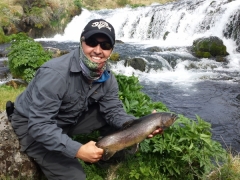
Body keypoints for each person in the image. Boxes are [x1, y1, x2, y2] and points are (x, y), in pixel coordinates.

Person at [10, 19, 163, 179]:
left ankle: (105, 157)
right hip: (31, 125)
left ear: (111, 50)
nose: (98, 50)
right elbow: (39, 125)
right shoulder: (55, 74)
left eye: (105, 46)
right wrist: (77, 150)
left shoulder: (107, 77)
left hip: (67, 119)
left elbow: (113, 111)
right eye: (92, 42)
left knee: (110, 120)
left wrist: (140, 125)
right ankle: (77, 152)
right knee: (75, 177)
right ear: (82, 42)